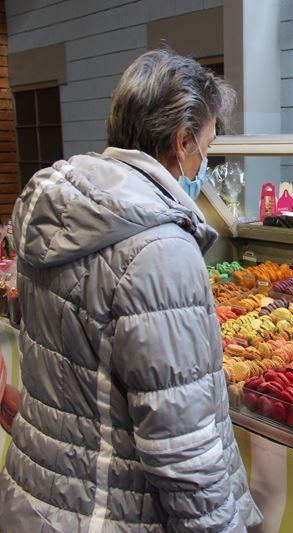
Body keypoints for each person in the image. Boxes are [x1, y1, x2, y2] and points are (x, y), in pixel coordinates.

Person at [0, 49, 262, 531]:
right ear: (183, 141)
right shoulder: (161, 248)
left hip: (33, 495)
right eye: (208, 145)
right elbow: (181, 445)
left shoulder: (47, 207)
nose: (206, 161)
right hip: (107, 512)